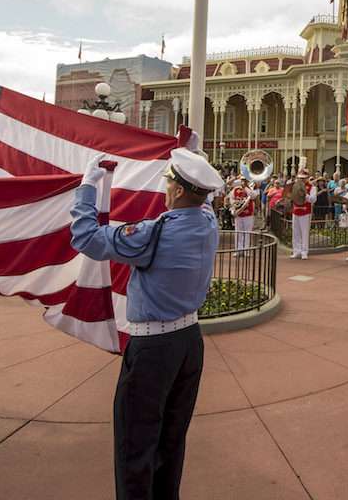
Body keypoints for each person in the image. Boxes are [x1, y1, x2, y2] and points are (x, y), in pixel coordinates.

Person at [71, 148, 222, 500]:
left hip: (154, 350)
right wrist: (193, 154)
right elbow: (206, 200)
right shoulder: (209, 222)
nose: (166, 187)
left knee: (135, 445)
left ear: (181, 191)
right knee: (171, 440)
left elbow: (86, 238)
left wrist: (86, 188)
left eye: (169, 182)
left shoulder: (155, 233)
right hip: (189, 344)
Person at [289, 169, 315, 259]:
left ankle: (304, 252)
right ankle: (296, 251)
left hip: (305, 212)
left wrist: (305, 195)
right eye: (300, 178)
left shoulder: (312, 187)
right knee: (295, 232)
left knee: (304, 232)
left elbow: (313, 199)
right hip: (295, 211)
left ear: (307, 178)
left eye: (303, 178)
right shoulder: (295, 186)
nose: (302, 180)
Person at [226, 178, 257, 256]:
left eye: (245, 180)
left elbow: (253, 196)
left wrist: (246, 187)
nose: (243, 181)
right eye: (242, 180)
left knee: (247, 232)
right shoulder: (236, 189)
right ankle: (238, 250)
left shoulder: (250, 189)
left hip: (248, 214)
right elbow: (231, 198)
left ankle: (246, 250)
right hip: (238, 214)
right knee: (238, 232)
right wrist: (235, 206)